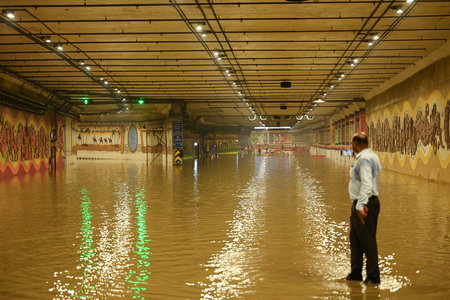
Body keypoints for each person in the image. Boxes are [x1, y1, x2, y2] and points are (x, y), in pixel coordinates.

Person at [346, 131, 382, 285]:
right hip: (364, 203)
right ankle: (355, 273)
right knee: (355, 240)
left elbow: (367, 183)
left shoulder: (364, 159)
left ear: (355, 143)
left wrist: (360, 206)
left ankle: (373, 277)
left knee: (367, 241)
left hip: (365, 204)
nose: (351, 146)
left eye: (351, 143)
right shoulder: (372, 156)